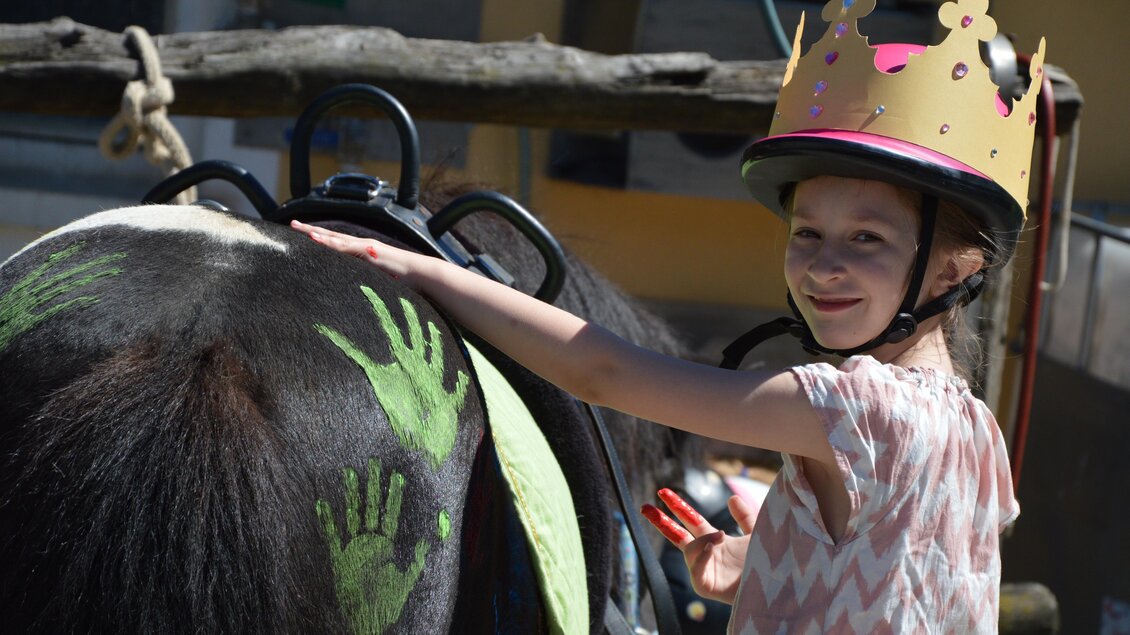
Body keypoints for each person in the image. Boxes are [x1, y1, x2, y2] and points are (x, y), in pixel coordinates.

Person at [291, 0, 1045, 630]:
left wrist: (427, 268)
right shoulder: (979, 438)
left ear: (956, 267)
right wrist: (758, 566)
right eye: (807, 231)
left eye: (867, 239)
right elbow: (908, 582)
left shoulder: (858, 407)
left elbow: (603, 369)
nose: (823, 264)